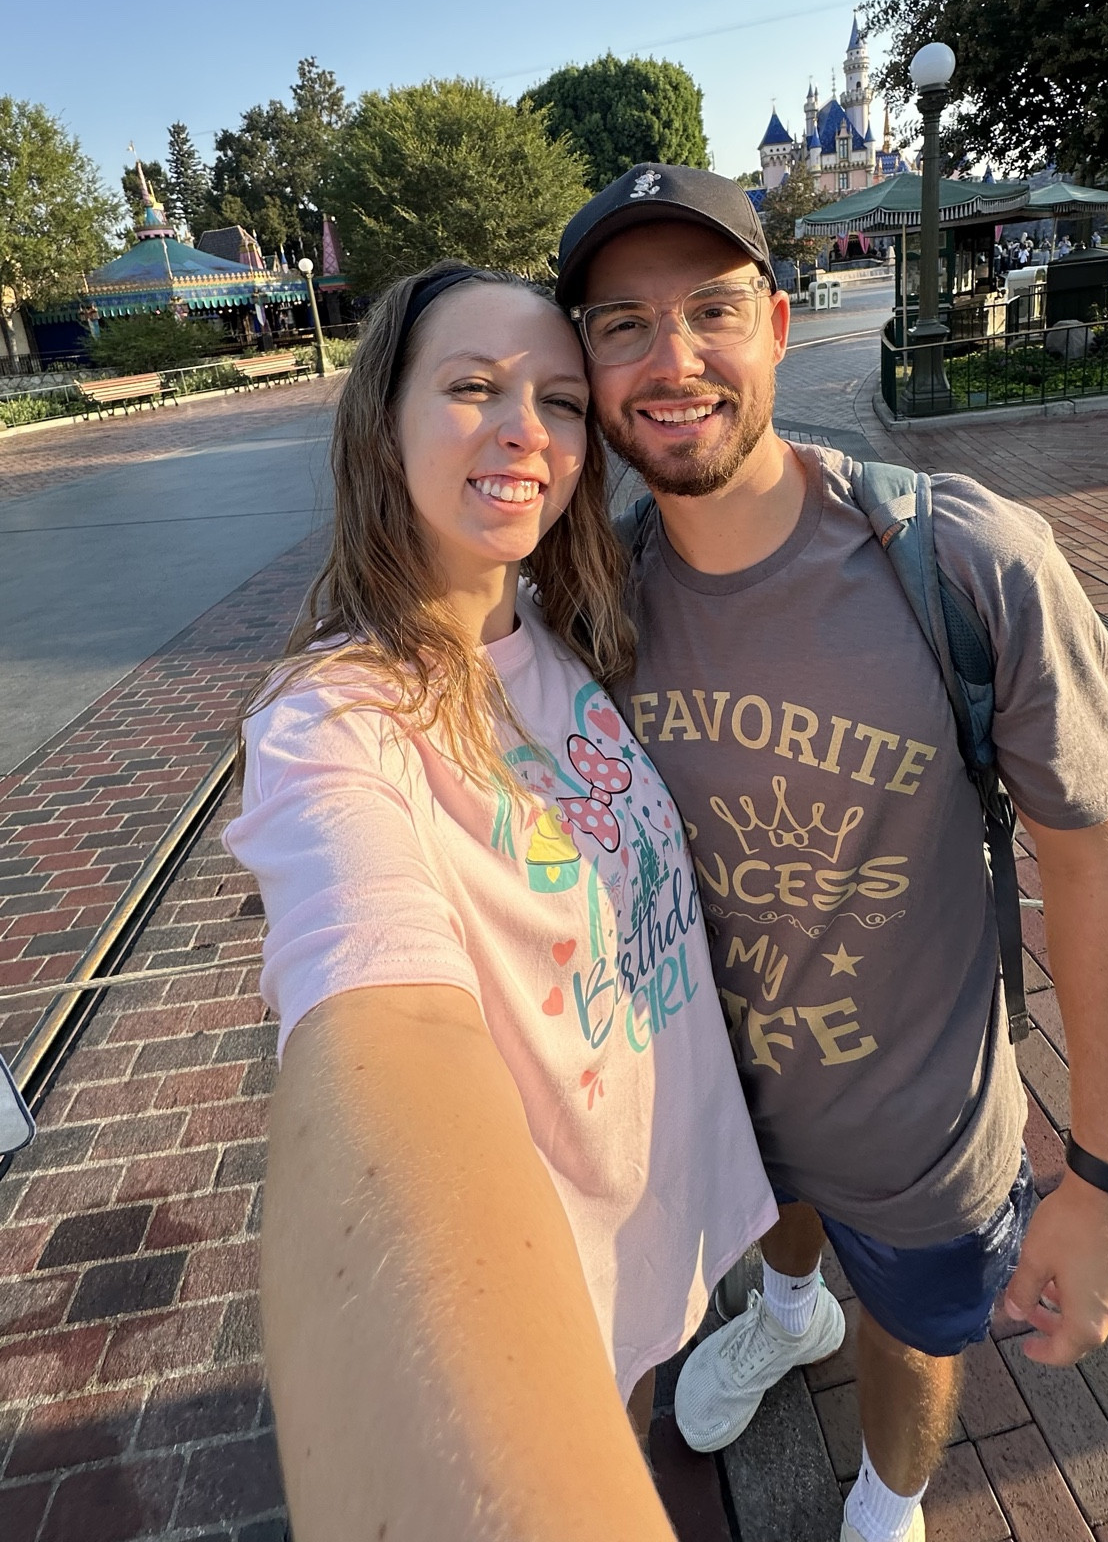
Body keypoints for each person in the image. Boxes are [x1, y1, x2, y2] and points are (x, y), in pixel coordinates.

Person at [555, 164, 1108, 1542]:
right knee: (784, 1224)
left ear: (775, 323)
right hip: (726, 1104)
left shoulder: (966, 564)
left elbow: (1100, 867)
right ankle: (786, 1308)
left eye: (709, 310)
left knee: (916, 1331)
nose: (673, 358)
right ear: (585, 361)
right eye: (623, 324)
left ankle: (891, 1498)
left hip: (921, 1135)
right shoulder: (600, 609)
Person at [225, 261, 777, 1542]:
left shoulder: (566, 621)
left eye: (561, 398)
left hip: (660, 1190)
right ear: (387, 422)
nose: (526, 428)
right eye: (472, 387)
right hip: (545, 1259)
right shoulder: (333, 725)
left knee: (636, 1404)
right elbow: (380, 1026)